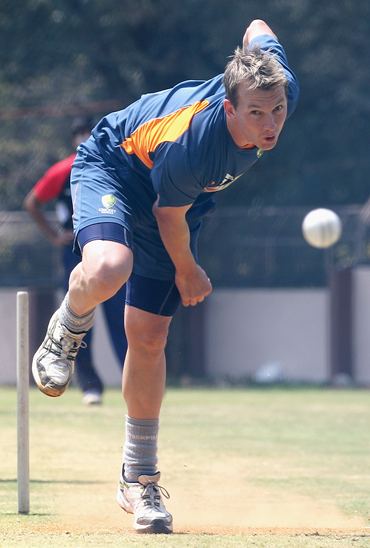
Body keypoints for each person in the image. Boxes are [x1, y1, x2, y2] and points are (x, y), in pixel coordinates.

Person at [31, 20, 299, 533]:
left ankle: (139, 480)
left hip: (177, 201)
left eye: (278, 110)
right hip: (116, 167)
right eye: (257, 112)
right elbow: (167, 217)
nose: (271, 123)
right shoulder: (197, 143)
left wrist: (249, 55)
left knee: (150, 337)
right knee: (111, 266)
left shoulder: (275, 81)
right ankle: (66, 329)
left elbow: (258, 26)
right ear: (230, 109)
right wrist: (190, 269)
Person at [24, 118, 127, 405]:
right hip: (74, 252)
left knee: (121, 318)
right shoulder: (63, 170)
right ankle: (90, 386)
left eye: (89, 134)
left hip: (109, 249)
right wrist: (54, 235)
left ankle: (130, 379)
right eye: (80, 135)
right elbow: (32, 201)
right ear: (73, 140)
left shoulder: (112, 165)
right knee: (80, 319)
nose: (85, 139)